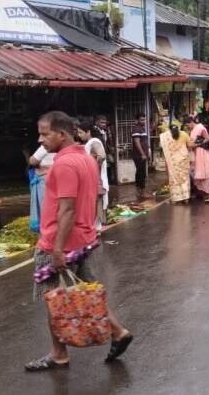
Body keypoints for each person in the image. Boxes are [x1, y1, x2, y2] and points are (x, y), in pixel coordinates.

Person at [25, 111, 132, 371]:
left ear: (62, 134)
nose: (40, 140)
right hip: (83, 239)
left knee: (54, 300)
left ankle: (58, 354)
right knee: (84, 291)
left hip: (60, 242)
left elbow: (67, 210)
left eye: (44, 134)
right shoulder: (85, 158)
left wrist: (57, 250)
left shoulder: (64, 165)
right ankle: (118, 332)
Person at [77, 120, 109, 233]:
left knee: (96, 203)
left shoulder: (94, 142)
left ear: (88, 132)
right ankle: (94, 228)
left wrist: (92, 167)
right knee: (93, 203)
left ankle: (96, 228)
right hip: (93, 178)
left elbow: (102, 156)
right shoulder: (89, 143)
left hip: (95, 178)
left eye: (81, 132)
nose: (79, 135)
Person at [159, 124, 193, 205]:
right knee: (185, 179)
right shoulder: (184, 134)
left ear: (169, 130)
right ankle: (186, 199)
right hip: (183, 160)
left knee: (174, 179)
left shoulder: (166, 136)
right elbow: (190, 145)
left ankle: (176, 199)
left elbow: (162, 147)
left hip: (173, 161)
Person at [185, 116, 209, 203]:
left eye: (188, 125)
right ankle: (201, 192)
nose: (188, 127)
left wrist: (198, 144)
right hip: (196, 153)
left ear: (191, 122)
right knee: (197, 171)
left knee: (205, 171)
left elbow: (208, 139)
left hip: (202, 152)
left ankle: (208, 193)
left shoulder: (200, 128)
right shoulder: (193, 130)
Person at [28, 140, 55, 233]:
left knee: (45, 208)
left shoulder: (47, 146)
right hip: (55, 178)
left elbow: (32, 161)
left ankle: (46, 232)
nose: (40, 139)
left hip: (44, 180)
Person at [131, 113, 150, 200]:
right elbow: (137, 142)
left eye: (144, 119)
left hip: (142, 155)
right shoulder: (136, 129)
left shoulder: (142, 128)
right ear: (137, 120)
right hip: (139, 155)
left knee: (141, 173)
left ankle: (140, 192)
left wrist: (148, 151)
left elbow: (144, 142)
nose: (143, 121)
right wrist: (142, 154)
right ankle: (141, 192)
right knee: (141, 174)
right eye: (141, 120)